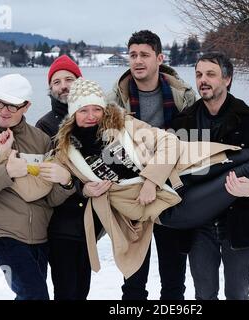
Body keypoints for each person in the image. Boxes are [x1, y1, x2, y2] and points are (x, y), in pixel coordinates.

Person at [29, 77, 249, 282]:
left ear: (103, 109)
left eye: (95, 108)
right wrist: (77, 186)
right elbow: (40, 184)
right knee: (243, 173)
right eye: (83, 110)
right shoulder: (65, 154)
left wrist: (150, 177)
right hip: (171, 208)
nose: (91, 115)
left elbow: (167, 141)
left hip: (181, 173)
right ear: (73, 114)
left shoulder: (124, 125)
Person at [0, 74, 75, 300]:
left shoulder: (41, 140)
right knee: (35, 296)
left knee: (32, 295)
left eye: (12, 104)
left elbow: (49, 198)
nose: (4, 110)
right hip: (1, 234)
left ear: (26, 106)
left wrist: (66, 183)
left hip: (39, 236)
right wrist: (6, 172)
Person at [171, 52, 249, 300]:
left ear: (227, 79)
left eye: (211, 74)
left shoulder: (248, 119)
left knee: (237, 294)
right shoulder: (183, 121)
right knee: (204, 295)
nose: (203, 80)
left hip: (238, 220)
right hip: (199, 224)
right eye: (199, 75)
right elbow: (170, 170)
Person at [108, 30, 196, 300]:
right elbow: (111, 151)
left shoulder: (184, 96)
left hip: (172, 193)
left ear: (159, 58)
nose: (138, 61)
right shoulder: (114, 101)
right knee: (133, 283)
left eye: (144, 55)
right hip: (134, 194)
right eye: (133, 55)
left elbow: (188, 146)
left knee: (174, 282)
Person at [35, 55, 103, 300]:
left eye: (69, 79)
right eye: (57, 82)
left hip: (90, 223)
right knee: (66, 290)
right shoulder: (44, 127)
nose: (63, 85)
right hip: (60, 223)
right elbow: (46, 176)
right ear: (50, 89)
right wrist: (76, 185)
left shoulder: (95, 119)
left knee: (82, 289)